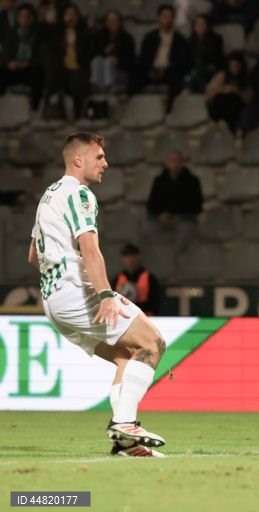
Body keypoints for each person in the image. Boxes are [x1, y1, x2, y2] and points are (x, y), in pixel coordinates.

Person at [28, 133, 166, 457]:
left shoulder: (49, 196)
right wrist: (105, 294)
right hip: (75, 291)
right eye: (99, 157)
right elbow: (90, 249)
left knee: (127, 356)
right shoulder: (79, 195)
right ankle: (126, 423)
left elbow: (34, 256)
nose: (106, 162)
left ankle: (124, 443)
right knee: (153, 343)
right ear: (79, 160)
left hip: (53, 301)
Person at [132, 3, 192, 110]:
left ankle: (169, 110)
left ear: (173, 19)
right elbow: (143, 58)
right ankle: (133, 107)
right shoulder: (149, 37)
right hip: (151, 70)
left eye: (169, 16)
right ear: (158, 18)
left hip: (169, 71)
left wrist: (168, 67)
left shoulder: (180, 40)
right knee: (135, 74)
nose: (167, 19)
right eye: (164, 16)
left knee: (176, 78)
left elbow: (184, 61)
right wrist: (151, 67)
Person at [145, 150, 203, 251]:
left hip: (184, 220)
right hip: (162, 220)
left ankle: (176, 258)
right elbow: (151, 205)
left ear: (182, 163)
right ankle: (160, 255)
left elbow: (197, 206)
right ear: (167, 162)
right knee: (149, 228)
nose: (175, 164)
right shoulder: (159, 181)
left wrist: (181, 216)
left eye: (177, 161)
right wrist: (160, 215)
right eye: (172, 160)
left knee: (186, 231)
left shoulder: (192, 181)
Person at [0, 2, 44, 109]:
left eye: (27, 17)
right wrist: (9, 63)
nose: (24, 19)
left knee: (37, 73)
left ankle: (34, 108)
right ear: (18, 18)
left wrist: (26, 63)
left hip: (29, 69)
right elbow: (5, 54)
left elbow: (41, 57)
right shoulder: (12, 35)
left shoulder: (37, 36)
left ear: (32, 18)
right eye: (21, 16)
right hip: (14, 69)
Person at [90, 9, 135, 92]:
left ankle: (109, 86)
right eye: (110, 20)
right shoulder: (99, 36)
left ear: (120, 22)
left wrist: (118, 61)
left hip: (120, 72)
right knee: (97, 60)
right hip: (102, 72)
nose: (112, 22)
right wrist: (105, 52)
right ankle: (96, 85)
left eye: (115, 20)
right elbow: (93, 54)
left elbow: (131, 60)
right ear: (106, 22)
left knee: (109, 61)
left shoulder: (127, 38)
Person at [111, 244, 162, 316]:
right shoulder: (117, 279)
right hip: (124, 319)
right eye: (126, 256)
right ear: (122, 258)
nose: (130, 259)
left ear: (138, 257)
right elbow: (111, 302)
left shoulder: (150, 278)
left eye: (133, 255)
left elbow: (155, 303)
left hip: (145, 317)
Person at [206, 51, 250, 134]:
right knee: (224, 98)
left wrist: (237, 91)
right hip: (220, 104)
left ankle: (226, 125)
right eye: (232, 66)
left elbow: (249, 99)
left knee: (231, 98)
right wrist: (224, 90)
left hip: (237, 106)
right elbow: (209, 93)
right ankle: (222, 123)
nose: (234, 68)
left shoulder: (246, 79)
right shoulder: (221, 76)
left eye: (237, 66)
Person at [185, 14, 225, 93]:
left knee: (199, 69)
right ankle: (201, 89)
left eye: (202, 24)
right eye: (197, 24)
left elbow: (217, 57)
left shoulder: (216, 39)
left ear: (207, 26)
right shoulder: (189, 41)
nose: (200, 26)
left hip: (210, 67)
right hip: (194, 68)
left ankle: (189, 88)